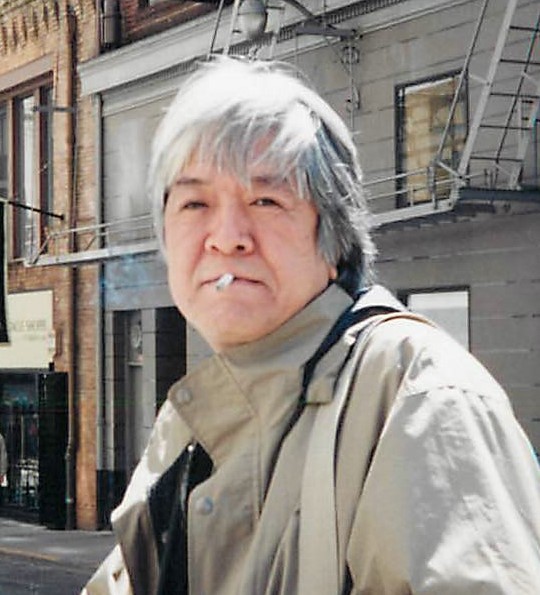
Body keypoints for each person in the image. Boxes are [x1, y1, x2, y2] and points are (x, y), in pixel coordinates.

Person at [84, 57, 540, 594]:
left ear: (335, 236)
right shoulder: (192, 429)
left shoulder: (416, 396)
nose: (226, 236)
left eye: (266, 200)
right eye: (194, 202)